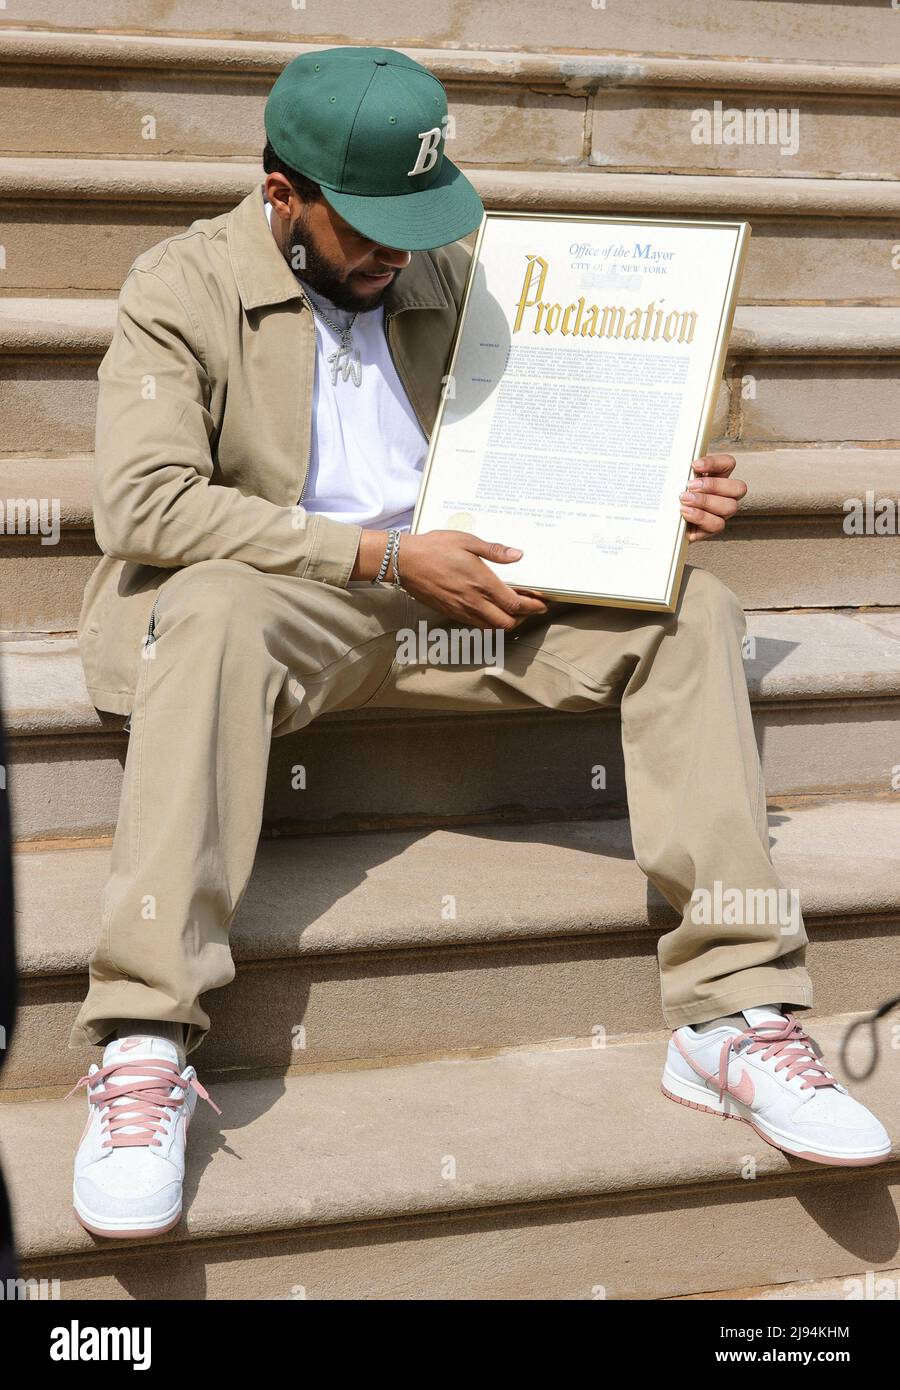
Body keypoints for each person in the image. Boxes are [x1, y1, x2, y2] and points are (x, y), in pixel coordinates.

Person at [67, 45, 890, 1240]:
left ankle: (732, 1014)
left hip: (473, 604)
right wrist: (385, 558)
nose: (398, 252)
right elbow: (144, 504)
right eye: (368, 228)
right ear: (283, 195)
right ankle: (143, 1037)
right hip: (297, 604)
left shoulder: (447, 269)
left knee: (693, 609)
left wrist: (651, 491)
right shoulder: (177, 284)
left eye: (416, 218)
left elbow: (551, 434)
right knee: (204, 613)